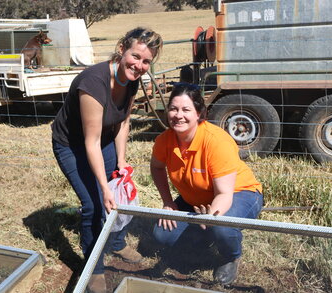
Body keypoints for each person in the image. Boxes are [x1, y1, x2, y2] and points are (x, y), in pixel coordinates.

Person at [52, 27, 163, 293]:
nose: (139, 65)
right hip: (74, 144)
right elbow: (90, 141)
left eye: (146, 61)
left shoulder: (132, 79)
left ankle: (116, 242)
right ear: (122, 47)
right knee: (94, 205)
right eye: (135, 56)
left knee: (119, 194)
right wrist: (103, 187)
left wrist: (121, 162)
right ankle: (94, 268)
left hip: (104, 139)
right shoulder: (93, 83)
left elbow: (124, 122)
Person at [150, 83, 263, 286]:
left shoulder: (215, 141)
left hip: (240, 193)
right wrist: (168, 202)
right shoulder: (164, 141)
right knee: (162, 234)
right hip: (196, 199)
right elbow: (157, 168)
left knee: (221, 227)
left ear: (199, 113)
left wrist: (211, 216)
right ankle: (204, 237)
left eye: (186, 110)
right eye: (174, 109)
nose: (178, 115)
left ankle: (231, 256)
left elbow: (224, 194)